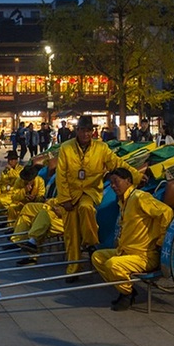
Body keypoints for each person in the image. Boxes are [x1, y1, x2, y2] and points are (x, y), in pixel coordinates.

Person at [55, 114, 143, 281]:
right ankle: (73, 268)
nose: (85, 134)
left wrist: (136, 176)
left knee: (85, 207)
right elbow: (61, 175)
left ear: (92, 132)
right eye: (82, 130)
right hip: (71, 193)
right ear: (77, 130)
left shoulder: (101, 148)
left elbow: (117, 164)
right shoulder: (66, 148)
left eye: (89, 131)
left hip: (89, 191)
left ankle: (90, 241)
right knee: (71, 233)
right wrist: (65, 199)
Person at [91, 167, 173, 311]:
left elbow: (166, 212)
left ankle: (126, 294)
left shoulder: (139, 197)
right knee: (97, 257)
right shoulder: (122, 201)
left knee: (112, 265)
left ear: (128, 181)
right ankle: (127, 290)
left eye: (116, 182)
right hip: (125, 252)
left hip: (144, 255)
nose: (113, 186)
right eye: (111, 183)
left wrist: (161, 241)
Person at [0, 150, 21, 215]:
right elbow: (0, 183)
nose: (10, 162)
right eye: (9, 160)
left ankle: (8, 219)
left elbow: (18, 177)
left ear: (16, 160)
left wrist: (11, 170)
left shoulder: (21, 169)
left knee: (3, 203)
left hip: (13, 196)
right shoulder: (5, 171)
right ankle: (3, 219)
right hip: (3, 194)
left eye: (12, 160)